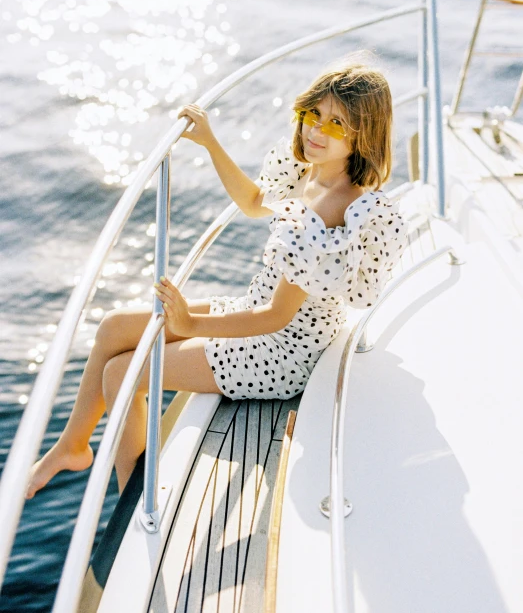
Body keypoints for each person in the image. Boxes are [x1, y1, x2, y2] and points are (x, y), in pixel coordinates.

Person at [26, 56, 408, 497]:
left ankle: (134, 498)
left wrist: (190, 325)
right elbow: (252, 202)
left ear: (365, 135)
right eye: (313, 115)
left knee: (121, 373)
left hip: (282, 354)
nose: (316, 131)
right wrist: (209, 142)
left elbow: (275, 318)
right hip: (256, 313)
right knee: (114, 327)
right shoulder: (311, 172)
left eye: (337, 124)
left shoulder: (327, 214)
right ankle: (72, 446)